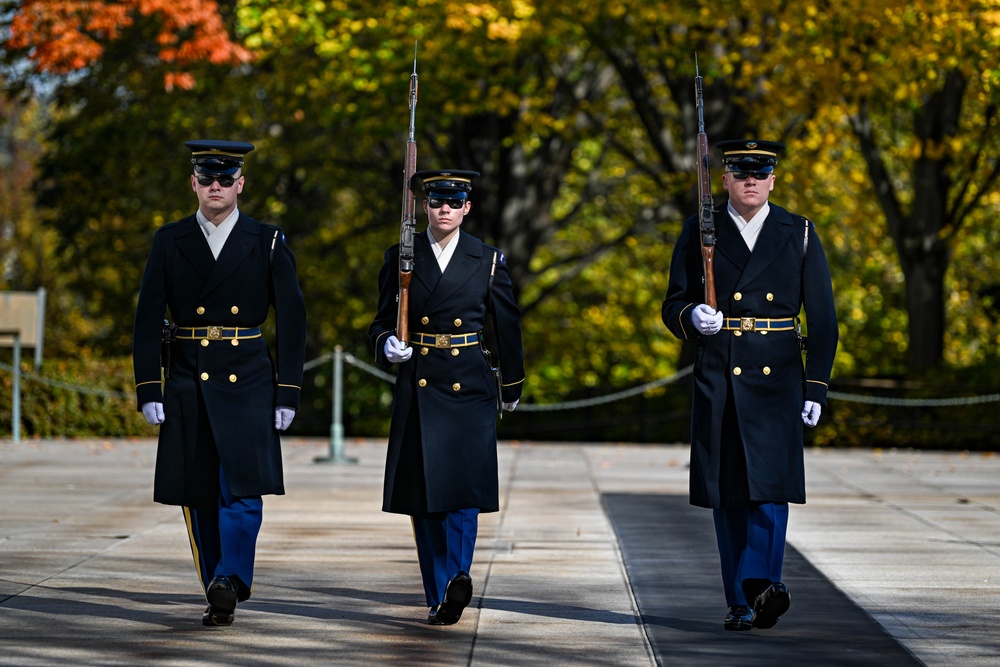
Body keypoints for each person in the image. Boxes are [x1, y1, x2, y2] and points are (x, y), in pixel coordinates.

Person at [661, 139, 838, 631]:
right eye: (741, 173)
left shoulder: (798, 232)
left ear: (773, 179)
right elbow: (672, 303)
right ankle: (741, 598)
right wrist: (691, 316)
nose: (751, 181)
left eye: (760, 173)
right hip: (720, 372)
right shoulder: (700, 229)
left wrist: (816, 387)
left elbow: (823, 320)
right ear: (725, 180)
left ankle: (761, 584)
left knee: (770, 489)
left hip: (777, 377)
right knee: (729, 493)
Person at [132, 140, 306, 627]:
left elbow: (293, 320)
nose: (215, 186)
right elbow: (147, 317)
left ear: (239, 184)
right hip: (188, 378)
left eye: (225, 178)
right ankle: (216, 589)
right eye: (207, 178)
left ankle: (230, 577)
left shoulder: (266, 240)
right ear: (193, 183)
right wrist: (149, 386)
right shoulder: (170, 240)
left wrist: (287, 391)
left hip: (247, 376)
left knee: (243, 490)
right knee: (199, 493)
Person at [368, 169, 524, 625]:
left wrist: (510, 384)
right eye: (436, 200)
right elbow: (379, 322)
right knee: (426, 496)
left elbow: (506, 326)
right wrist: (385, 345)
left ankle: (458, 575)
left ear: (466, 208)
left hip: (469, 383)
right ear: (423, 205)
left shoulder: (487, 258)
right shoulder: (401, 255)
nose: (444, 208)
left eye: (453, 201)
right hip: (420, 380)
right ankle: (440, 593)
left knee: (463, 491)